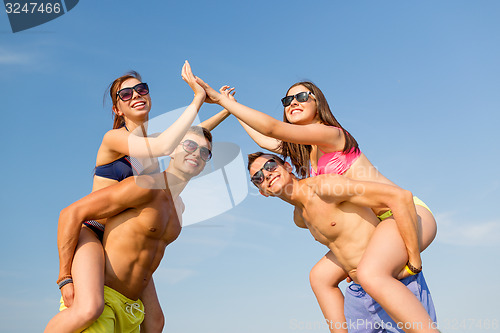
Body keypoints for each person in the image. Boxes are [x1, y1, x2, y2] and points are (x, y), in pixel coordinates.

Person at [196, 78, 437, 332]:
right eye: (287, 101)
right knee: (320, 277)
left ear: (317, 102)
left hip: (403, 213)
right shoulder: (308, 151)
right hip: (378, 221)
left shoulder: (330, 133)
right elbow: (267, 142)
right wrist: (233, 107)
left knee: (370, 273)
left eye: (301, 97)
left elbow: (270, 129)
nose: (293, 103)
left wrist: (414, 261)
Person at [45, 61, 226, 333]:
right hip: (93, 231)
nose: (136, 95)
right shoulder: (116, 139)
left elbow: (187, 142)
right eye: (126, 94)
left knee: (156, 321)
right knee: (90, 307)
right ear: (117, 109)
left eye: (141, 89)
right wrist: (65, 277)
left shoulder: (150, 145)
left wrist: (226, 109)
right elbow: (169, 145)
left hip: (123, 238)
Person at [248, 153, 438, 333]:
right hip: (358, 293)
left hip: (390, 281)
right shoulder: (299, 218)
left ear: (287, 166)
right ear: (262, 192)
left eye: (270, 165)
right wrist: (349, 264)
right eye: (258, 177)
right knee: (318, 277)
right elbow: (344, 238)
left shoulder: (326, 187)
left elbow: (399, 197)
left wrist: (414, 262)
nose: (266, 174)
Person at [49, 126, 213, 332]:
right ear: (171, 150)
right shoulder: (145, 186)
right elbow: (71, 213)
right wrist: (65, 279)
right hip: (104, 300)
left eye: (205, 151)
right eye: (189, 145)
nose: (196, 153)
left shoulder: (180, 206)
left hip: (132, 311)